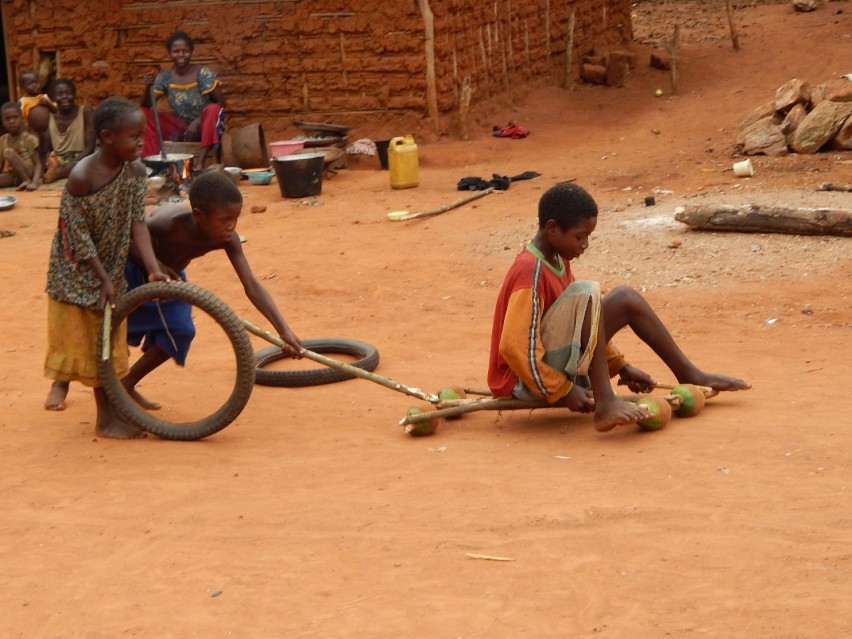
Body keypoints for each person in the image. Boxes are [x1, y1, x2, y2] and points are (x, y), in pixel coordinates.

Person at [488, 181, 750, 433]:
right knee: (588, 293)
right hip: (524, 379)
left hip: (552, 363)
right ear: (552, 228)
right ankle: (605, 403)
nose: (584, 245)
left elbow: (583, 323)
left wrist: (621, 366)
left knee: (625, 297)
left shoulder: (557, 259)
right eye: (579, 237)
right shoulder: (529, 271)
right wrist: (562, 389)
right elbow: (515, 348)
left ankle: (689, 374)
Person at [45, 170, 303, 412]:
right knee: (102, 331)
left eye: (235, 219)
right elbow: (125, 236)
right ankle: (61, 379)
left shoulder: (227, 239)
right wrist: (153, 264)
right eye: (224, 220)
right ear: (199, 216)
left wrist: (284, 330)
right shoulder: (169, 222)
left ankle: (127, 384)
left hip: (170, 282)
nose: (231, 226)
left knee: (180, 331)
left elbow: (252, 285)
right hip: (133, 272)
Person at [43, 96, 169, 438]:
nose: (142, 143)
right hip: (77, 268)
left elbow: (137, 223)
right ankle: (105, 419)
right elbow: (75, 232)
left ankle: (114, 412)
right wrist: (101, 279)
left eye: (142, 135)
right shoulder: (82, 175)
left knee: (109, 339)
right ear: (107, 137)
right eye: (134, 136)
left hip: (109, 265)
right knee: (94, 340)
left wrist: (153, 268)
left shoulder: (135, 171)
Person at [140, 30, 225, 171]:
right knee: (143, 114)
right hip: (179, 127)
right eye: (176, 51)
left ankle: (200, 162)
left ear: (191, 52)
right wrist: (148, 87)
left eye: (185, 51)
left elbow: (221, 102)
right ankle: (152, 162)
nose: (180, 55)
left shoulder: (203, 73)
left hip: (203, 126)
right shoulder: (165, 77)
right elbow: (146, 105)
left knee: (213, 109)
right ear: (170, 53)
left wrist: (197, 121)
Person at [41, 78, 96, 184]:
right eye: (59, 94)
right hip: (58, 160)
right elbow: (47, 149)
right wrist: (52, 161)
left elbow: (90, 148)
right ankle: (56, 170)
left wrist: (69, 164)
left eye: (68, 93)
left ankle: (56, 174)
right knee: (47, 162)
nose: (64, 97)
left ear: (75, 94)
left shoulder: (86, 113)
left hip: (80, 158)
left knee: (83, 164)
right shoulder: (50, 117)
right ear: (53, 97)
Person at [0, 102, 43, 190]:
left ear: (22, 119)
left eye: (15, 117)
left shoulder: (29, 138)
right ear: (3, 122)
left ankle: (26, 180)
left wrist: (34, 182)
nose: (11, 121)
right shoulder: (2, 139)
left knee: (9, 152)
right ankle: (19, 181)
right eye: (7, 119)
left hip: (28, 172)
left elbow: (38, 164)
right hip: (12, 174)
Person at [17, 70, 57, 136]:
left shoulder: (44, 97)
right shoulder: (23, 102)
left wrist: (48, 104)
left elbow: (56, 111)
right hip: (33, 132)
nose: (34, 85)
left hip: (48, 130)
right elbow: (20, 119)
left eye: (36, 82)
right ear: (23, 88)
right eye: (30, 83)